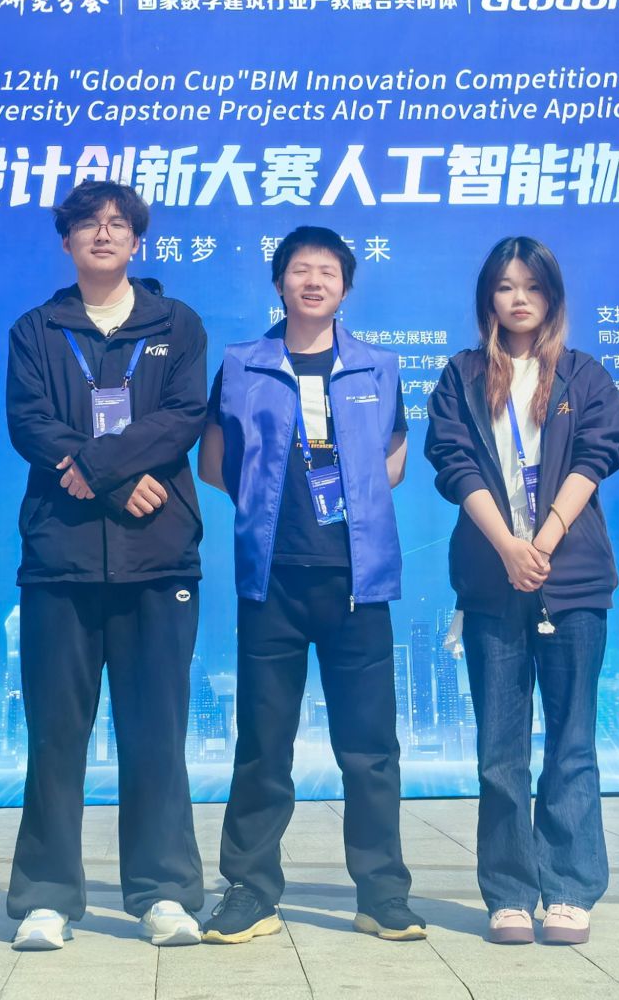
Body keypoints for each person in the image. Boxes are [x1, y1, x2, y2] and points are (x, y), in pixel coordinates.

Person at [196, 225, 426, 944]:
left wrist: (353, 506)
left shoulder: (377, 367)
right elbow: (212, 461)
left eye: (328, 270)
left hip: (358, 583)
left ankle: (382, 894)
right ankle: (250, 890)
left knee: (370, 749)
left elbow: (394, 457)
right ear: (279, 283)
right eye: (301, 269)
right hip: (273, 582)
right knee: (264, 746)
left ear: (345, 287)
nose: (314, 281)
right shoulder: (243, 365)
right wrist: (267, 507)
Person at [2, 180, 209, 951]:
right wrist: (116, 479)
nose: (103, 234)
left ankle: (164, 894)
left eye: (118, 224)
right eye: (88, 224)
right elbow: (30, 423)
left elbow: (183, 416)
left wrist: (103, 468)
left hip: (158, 557)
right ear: (66, 242)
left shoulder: (176, 324)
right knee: (57, 738)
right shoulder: (37, 329)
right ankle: (47, 898)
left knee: (156, 734)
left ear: (137, 241)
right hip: (60, 558)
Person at [423, 236, 619, 947]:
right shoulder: (462, 374)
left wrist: (542, 541)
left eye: (532, 287)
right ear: (489, 295)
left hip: (572, 581)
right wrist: (508, 547)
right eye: (506, 286)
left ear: (552, 297)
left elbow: (598, 455)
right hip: (491, 581)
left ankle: (569, 889)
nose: (519, 299)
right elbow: (452, 463)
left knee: (572, 743)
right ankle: (509, 893)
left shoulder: (582, 374)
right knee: (499, 751)